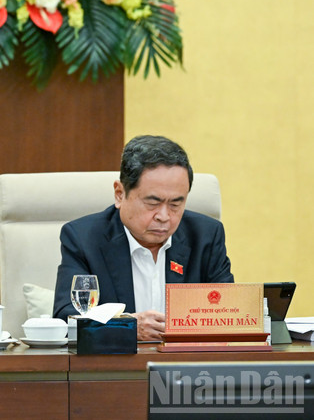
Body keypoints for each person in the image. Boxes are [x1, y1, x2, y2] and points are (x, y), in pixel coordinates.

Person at [53, 135, 233, 341]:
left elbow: (226, 312)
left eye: (175, 204)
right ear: (120, 194)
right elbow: (66, 320)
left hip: (187, 367)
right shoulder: (84, 238)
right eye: (152, 202)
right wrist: (127, 327)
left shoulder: (206, 236)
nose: (164, 216)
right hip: (115, 369)